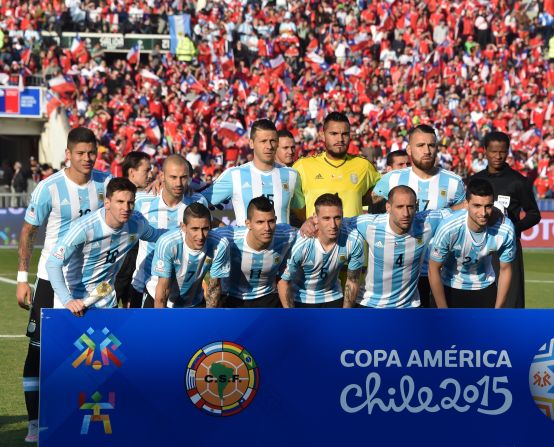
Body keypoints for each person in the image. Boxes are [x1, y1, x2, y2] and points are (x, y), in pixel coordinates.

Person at [16, 127, 111, 443]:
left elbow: (129, 198)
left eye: (91, 152)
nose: (87, 158)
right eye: (80, 153)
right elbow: (28, 232)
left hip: (90, 283)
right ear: (68, 154)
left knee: (92, 351)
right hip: (50, 280)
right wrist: (21, 279)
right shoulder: (50, 188)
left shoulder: (105, 184)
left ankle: (83, 415)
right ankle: (33, 421)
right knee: (38, 352)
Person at [300, 186, 453, 308]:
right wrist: (310, 221)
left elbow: (462, 210)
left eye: (410, 207)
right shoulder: (370, 224)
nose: (405, 213)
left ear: (416, 206)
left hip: (410, 307)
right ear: (388, 207)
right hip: (370, 305)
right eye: (399, 207)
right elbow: (333, 220)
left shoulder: (427, 222)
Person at [372, 124, 465, 307]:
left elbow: (461, 223)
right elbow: (374, 215)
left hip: (443, 271)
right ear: (409, 149)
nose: (427, 150)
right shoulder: (392, 179)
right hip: (402, 274)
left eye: (431, 145)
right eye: (420, 145)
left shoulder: (454, 182)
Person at [45, 178, 162, 313]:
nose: (126, 208)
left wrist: (185, 231)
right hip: (73, 301)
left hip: (105, 299)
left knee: (111, 335)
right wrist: (67, 300)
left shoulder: (137, 224)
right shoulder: (84, 227)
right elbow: (53, 263)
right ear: (107, 203)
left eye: (130, 203)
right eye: (120, 202)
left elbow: (158, 236)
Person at [470, 131, 541, 308]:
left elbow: (534, 214)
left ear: (508, 151)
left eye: (502, 151)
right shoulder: (475, 180)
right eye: (493, 151)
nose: (498, 156)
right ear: (485, 151)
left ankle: (512, 335)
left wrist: (513, 230)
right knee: (479, 299)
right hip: (477, 247)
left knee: (511, 301)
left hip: (507, 249)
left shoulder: (518, 181)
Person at [129, 154, 207, 308]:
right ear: (162, 176)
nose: (178, 183)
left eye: (183, 177)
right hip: (145, 287)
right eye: (173, 177)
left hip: (186, 294)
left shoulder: (198, 202)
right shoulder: (141, 201)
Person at [429, 179, 516, 308]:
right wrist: (443, 311)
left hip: (485, 288)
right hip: (450, 287)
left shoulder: (505, 229)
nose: (483, 213)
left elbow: (506, 269)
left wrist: (498, 310)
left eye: (488, 206)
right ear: (466, 204)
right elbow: (434, 268)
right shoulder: (449, 228)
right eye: (477, 206)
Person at [201, 119, 303, 225]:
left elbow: (301, 211)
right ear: (251, 143)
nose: (269, 146)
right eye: (263, 141)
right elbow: (197, 203)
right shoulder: (235, 175)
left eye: (272, 141)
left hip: (284, 242)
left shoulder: (292, 175)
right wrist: (220, 226)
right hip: (246, 242)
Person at [278, 194, 364, 308]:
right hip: (301, 298)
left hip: (333, 296)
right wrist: (291, 315)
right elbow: (283, 282)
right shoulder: (301, 243)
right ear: (315, 218)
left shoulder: (354, 240)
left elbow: (353, 280)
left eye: (337, 218)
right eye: (326, 218)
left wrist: (345, 314)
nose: (333, 225)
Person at [293, 112, 381, 219]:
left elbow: (381, 192)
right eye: (334, 134)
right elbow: (293, 204)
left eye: (344, 134)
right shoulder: (303, 166)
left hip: (352, 235)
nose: (340, 139)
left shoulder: (364, 166)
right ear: (323, 135)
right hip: (316, 235)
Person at [214, 196, 297, 308]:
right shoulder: (228, 238)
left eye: (271, 221)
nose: (267, 228)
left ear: (276, 220)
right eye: (260, 222)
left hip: (268, 298)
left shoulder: (287, 235)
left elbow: (308, 233)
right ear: (248, 224)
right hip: (231, 298)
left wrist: (309, 224)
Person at [147, 203, 230, 308]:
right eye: (194, 229)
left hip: (193, 302)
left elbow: (214, 287)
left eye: (205, 228)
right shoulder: (168, 243)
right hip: (158, 299)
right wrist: (161, 321)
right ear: (183, 227)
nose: (200, 236)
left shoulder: (220, 245)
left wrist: (210, 319)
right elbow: (163, 291)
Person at [114, 151, 151, 307]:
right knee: (110, 312)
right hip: (119, 261)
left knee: (133, 314)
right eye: (146, 170)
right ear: (131, 172)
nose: (150, 174)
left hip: (138, 261)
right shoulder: (114, 193)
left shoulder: (150, 194)